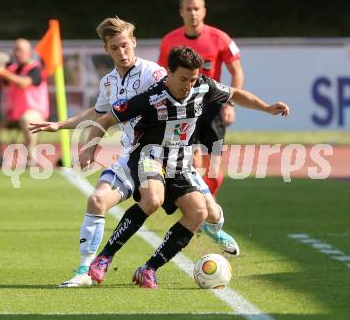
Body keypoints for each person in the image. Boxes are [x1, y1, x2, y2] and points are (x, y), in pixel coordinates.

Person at [29, 18, 239, 288]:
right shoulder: (108, 82)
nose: (122, 52)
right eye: (115, 47)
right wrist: (63, 126)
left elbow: (183, 103)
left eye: (125, 45)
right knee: (97, 200)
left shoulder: (154, 73)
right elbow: (100, 114)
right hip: (133, 157)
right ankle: (84, 270)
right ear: (106, 49)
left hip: (169, 156)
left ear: (134, 43)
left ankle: (214, 228)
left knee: (209, 212)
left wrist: (192, 144)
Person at [84, 46, 289, 289]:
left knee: (199, 212)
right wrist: (90, 147)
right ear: (168, 73)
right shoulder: (150, 98)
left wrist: (266, 108)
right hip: (150, 156)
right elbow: (106, 119)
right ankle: (104, 257)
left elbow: (234, 94)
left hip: (180, 163)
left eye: (192, 79)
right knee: (153, 200)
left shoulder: (204, 86)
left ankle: (149, 269)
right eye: (183, 79)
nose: (188, 85)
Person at [158, 0, 244, 196]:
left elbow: (237, 72)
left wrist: (230, 104)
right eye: (188, 9)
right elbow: (162, 74)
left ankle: (208, 202)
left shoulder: (221, 38)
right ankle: (198, 204)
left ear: (204, 11)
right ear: (181, 11)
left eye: (196, 9)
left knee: (213, 167)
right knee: (192, 159)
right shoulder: (169, 41)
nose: (193, 13)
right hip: (184, 107)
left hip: (213, 107)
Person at [0, 38, 49, 167]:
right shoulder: (12, 68)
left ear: (29, 52)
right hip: (12, 114)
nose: (17, 53)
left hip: (34, 112)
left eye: (20, 49)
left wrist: (4, 72)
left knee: (27, 119)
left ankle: (30, 160)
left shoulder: (35, 68)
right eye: (15, 49)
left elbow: (24, 83)